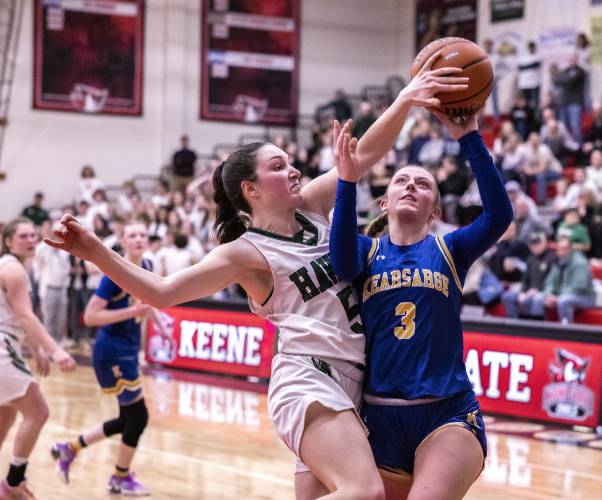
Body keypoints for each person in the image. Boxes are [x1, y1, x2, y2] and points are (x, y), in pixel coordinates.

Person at [45, 55, 469, 499]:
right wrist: (92, 249)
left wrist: (404, 99)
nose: (293, 170)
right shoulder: (245, 252)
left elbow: (360, 154)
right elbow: (162, 292)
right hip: (307, 378)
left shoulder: (311, 207)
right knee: (363, 492)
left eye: (290, 163)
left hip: (354, 383)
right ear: (251, 189)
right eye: (279, 166)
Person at [328, 112, 513, 499]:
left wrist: (470, 137)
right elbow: (340, 261)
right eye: (402, 181)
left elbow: (499, 215)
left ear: (435, 211)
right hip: (379, 416)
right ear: (384, 202)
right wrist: (346, 180)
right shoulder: (366, 251)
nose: (411, 186)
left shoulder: (450, 250)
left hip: (446, 412)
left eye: (423, 184)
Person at [51, 221, 163, 496]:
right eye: (132, 235)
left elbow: (147, 304)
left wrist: (161, 327)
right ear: (122, 241)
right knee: (138, 417)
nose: (138, 238)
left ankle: (70, 448)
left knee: (129, 418)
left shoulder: (146, 266)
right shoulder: (113, 275)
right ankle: (119, 478)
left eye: (142, 234)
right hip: (111, 350)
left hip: (127, 348)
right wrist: (132, 312)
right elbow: (90, 316)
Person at [0, 218, 75, 499]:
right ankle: (13, 482)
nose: (31, 239)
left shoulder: (12, 266)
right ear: (8, 241)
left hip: (8, 342)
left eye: (33, 234)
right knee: (38, 411)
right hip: (3, 347)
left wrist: (36, 349)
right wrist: (54, 349)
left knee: (6, 413)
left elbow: (15, 316)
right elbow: (24, 315)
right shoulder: (14, 270)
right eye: (23, 236)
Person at [541, 235, 596, 324]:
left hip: (585, 297)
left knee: (564, 300)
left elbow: (580, 286)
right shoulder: (557, 261)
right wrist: (549, 294)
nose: (560, 250)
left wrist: (558, 297)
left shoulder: (580, 262)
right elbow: (549, 282)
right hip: (563, 295)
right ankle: (543, 329)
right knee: (541, 298)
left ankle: (567, 331)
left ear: (570, 249)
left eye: (564, 248)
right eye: (559, 248)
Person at [500, 232, 555, 319]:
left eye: (538, 243)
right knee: (507, 297)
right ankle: (513, 323)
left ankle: (531, 327)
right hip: (528, 291)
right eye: (533, 244)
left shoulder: (551, 258)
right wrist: (522, 292)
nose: (535, 246)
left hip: (543, 291)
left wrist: (535, 290)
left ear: (544, 243)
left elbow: (552, 280)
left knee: (531, 300)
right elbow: (525, 280)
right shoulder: (530, 259)